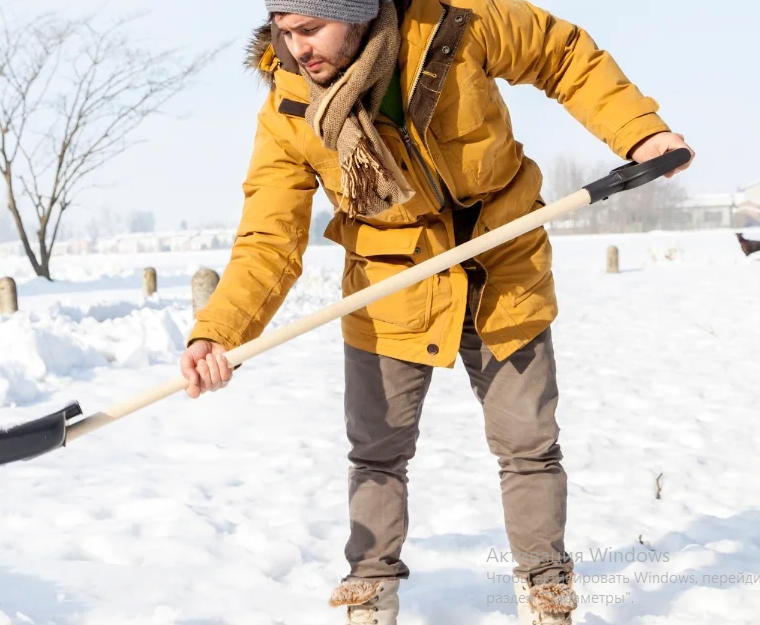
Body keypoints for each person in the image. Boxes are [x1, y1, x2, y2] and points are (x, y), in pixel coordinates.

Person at [178, 0, 694, 623]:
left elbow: (562, 54)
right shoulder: (290, 109)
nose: (297, 48)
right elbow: (269, 237)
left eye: (311, 29)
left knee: (528, 443)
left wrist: (641, 131)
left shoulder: (456, 23)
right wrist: (218, 332)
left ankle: (546, 585)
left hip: (503, 259)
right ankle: (369, 585)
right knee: (376, 450)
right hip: (389, 280)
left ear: (359, 12)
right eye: (285, 33)